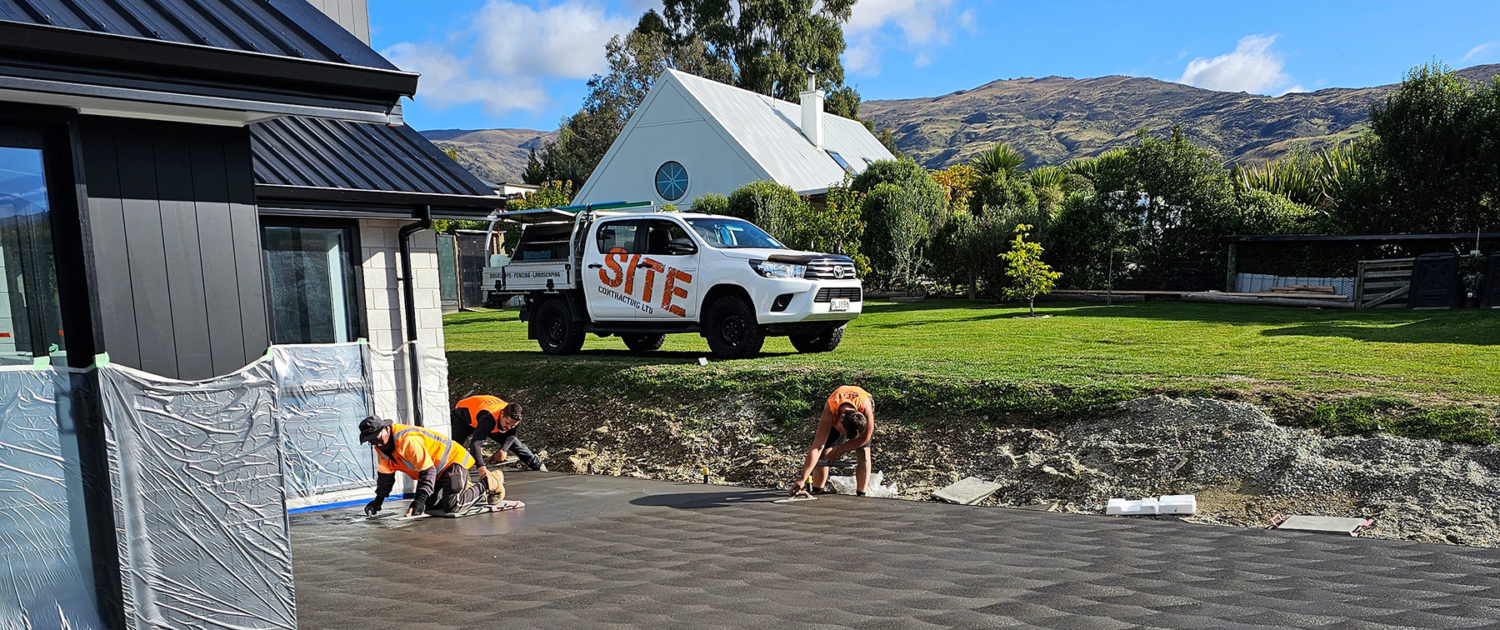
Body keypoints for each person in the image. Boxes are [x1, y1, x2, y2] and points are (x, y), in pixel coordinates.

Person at [358, 416, 505, 517]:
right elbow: (386, 477)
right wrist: (378, 501)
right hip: (437, 471)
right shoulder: (381, 449)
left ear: (386, 429)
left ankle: (489, 482)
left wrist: (419, 499)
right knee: (429, 506)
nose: (376, 444)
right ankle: (462, 488)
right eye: (371, 442)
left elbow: (427, 471)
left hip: (452, 461)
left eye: (377, 439)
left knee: (453, 506)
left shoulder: (407, 441)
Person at [789, 385, 876, 497]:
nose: (841, 435)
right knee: (823, 453)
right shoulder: (830, 410)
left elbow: (865, 438)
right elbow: (817, 447)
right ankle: (817, 489)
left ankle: (861, 493)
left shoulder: (866, 408)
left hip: (862, 401)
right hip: (837, 404)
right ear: (841, 418)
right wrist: (802, 478)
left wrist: (838, 451)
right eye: (840, 430)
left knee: (864, 452)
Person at [451, 395, 546, 472]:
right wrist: (481, 467)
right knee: (453, 446)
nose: (509, 427)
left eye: (513, 425)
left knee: (516, 444)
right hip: (463, 416)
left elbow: (511, 435)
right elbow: (476, 443)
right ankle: (445, 470)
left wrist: (503, 450)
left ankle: (537, 465)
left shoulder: (515, 417)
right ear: (501, 414)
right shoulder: (487, 418)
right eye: (507, 423)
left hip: (487, 415)